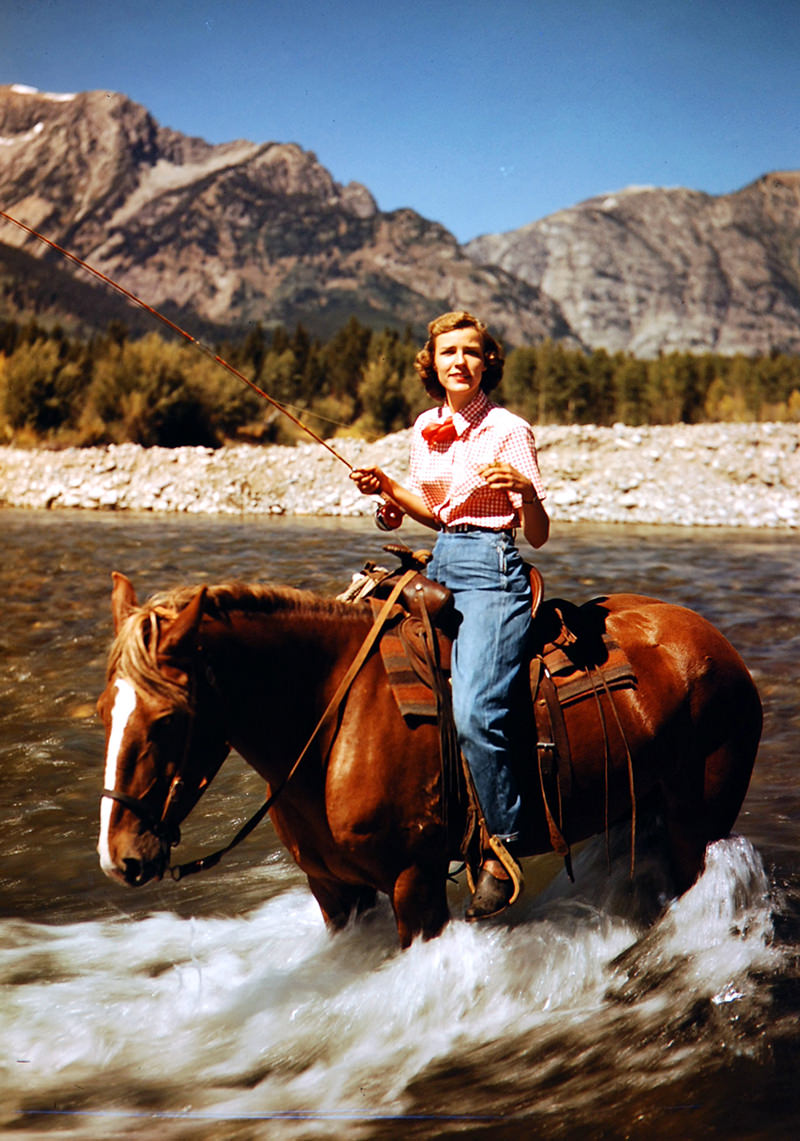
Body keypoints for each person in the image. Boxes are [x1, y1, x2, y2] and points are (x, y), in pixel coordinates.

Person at [350, 310, 549, 920]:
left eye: (470, 351)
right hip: (440, 559)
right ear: (431, 365)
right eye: (446, 353)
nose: (458, 361)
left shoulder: (510, 429)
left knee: (475, 710)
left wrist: (526, 491)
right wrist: (387, 493)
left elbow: (538, 534)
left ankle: (505, 845)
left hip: (493, 567)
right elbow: (433, 512)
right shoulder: (426, 426)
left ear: (487, 361)